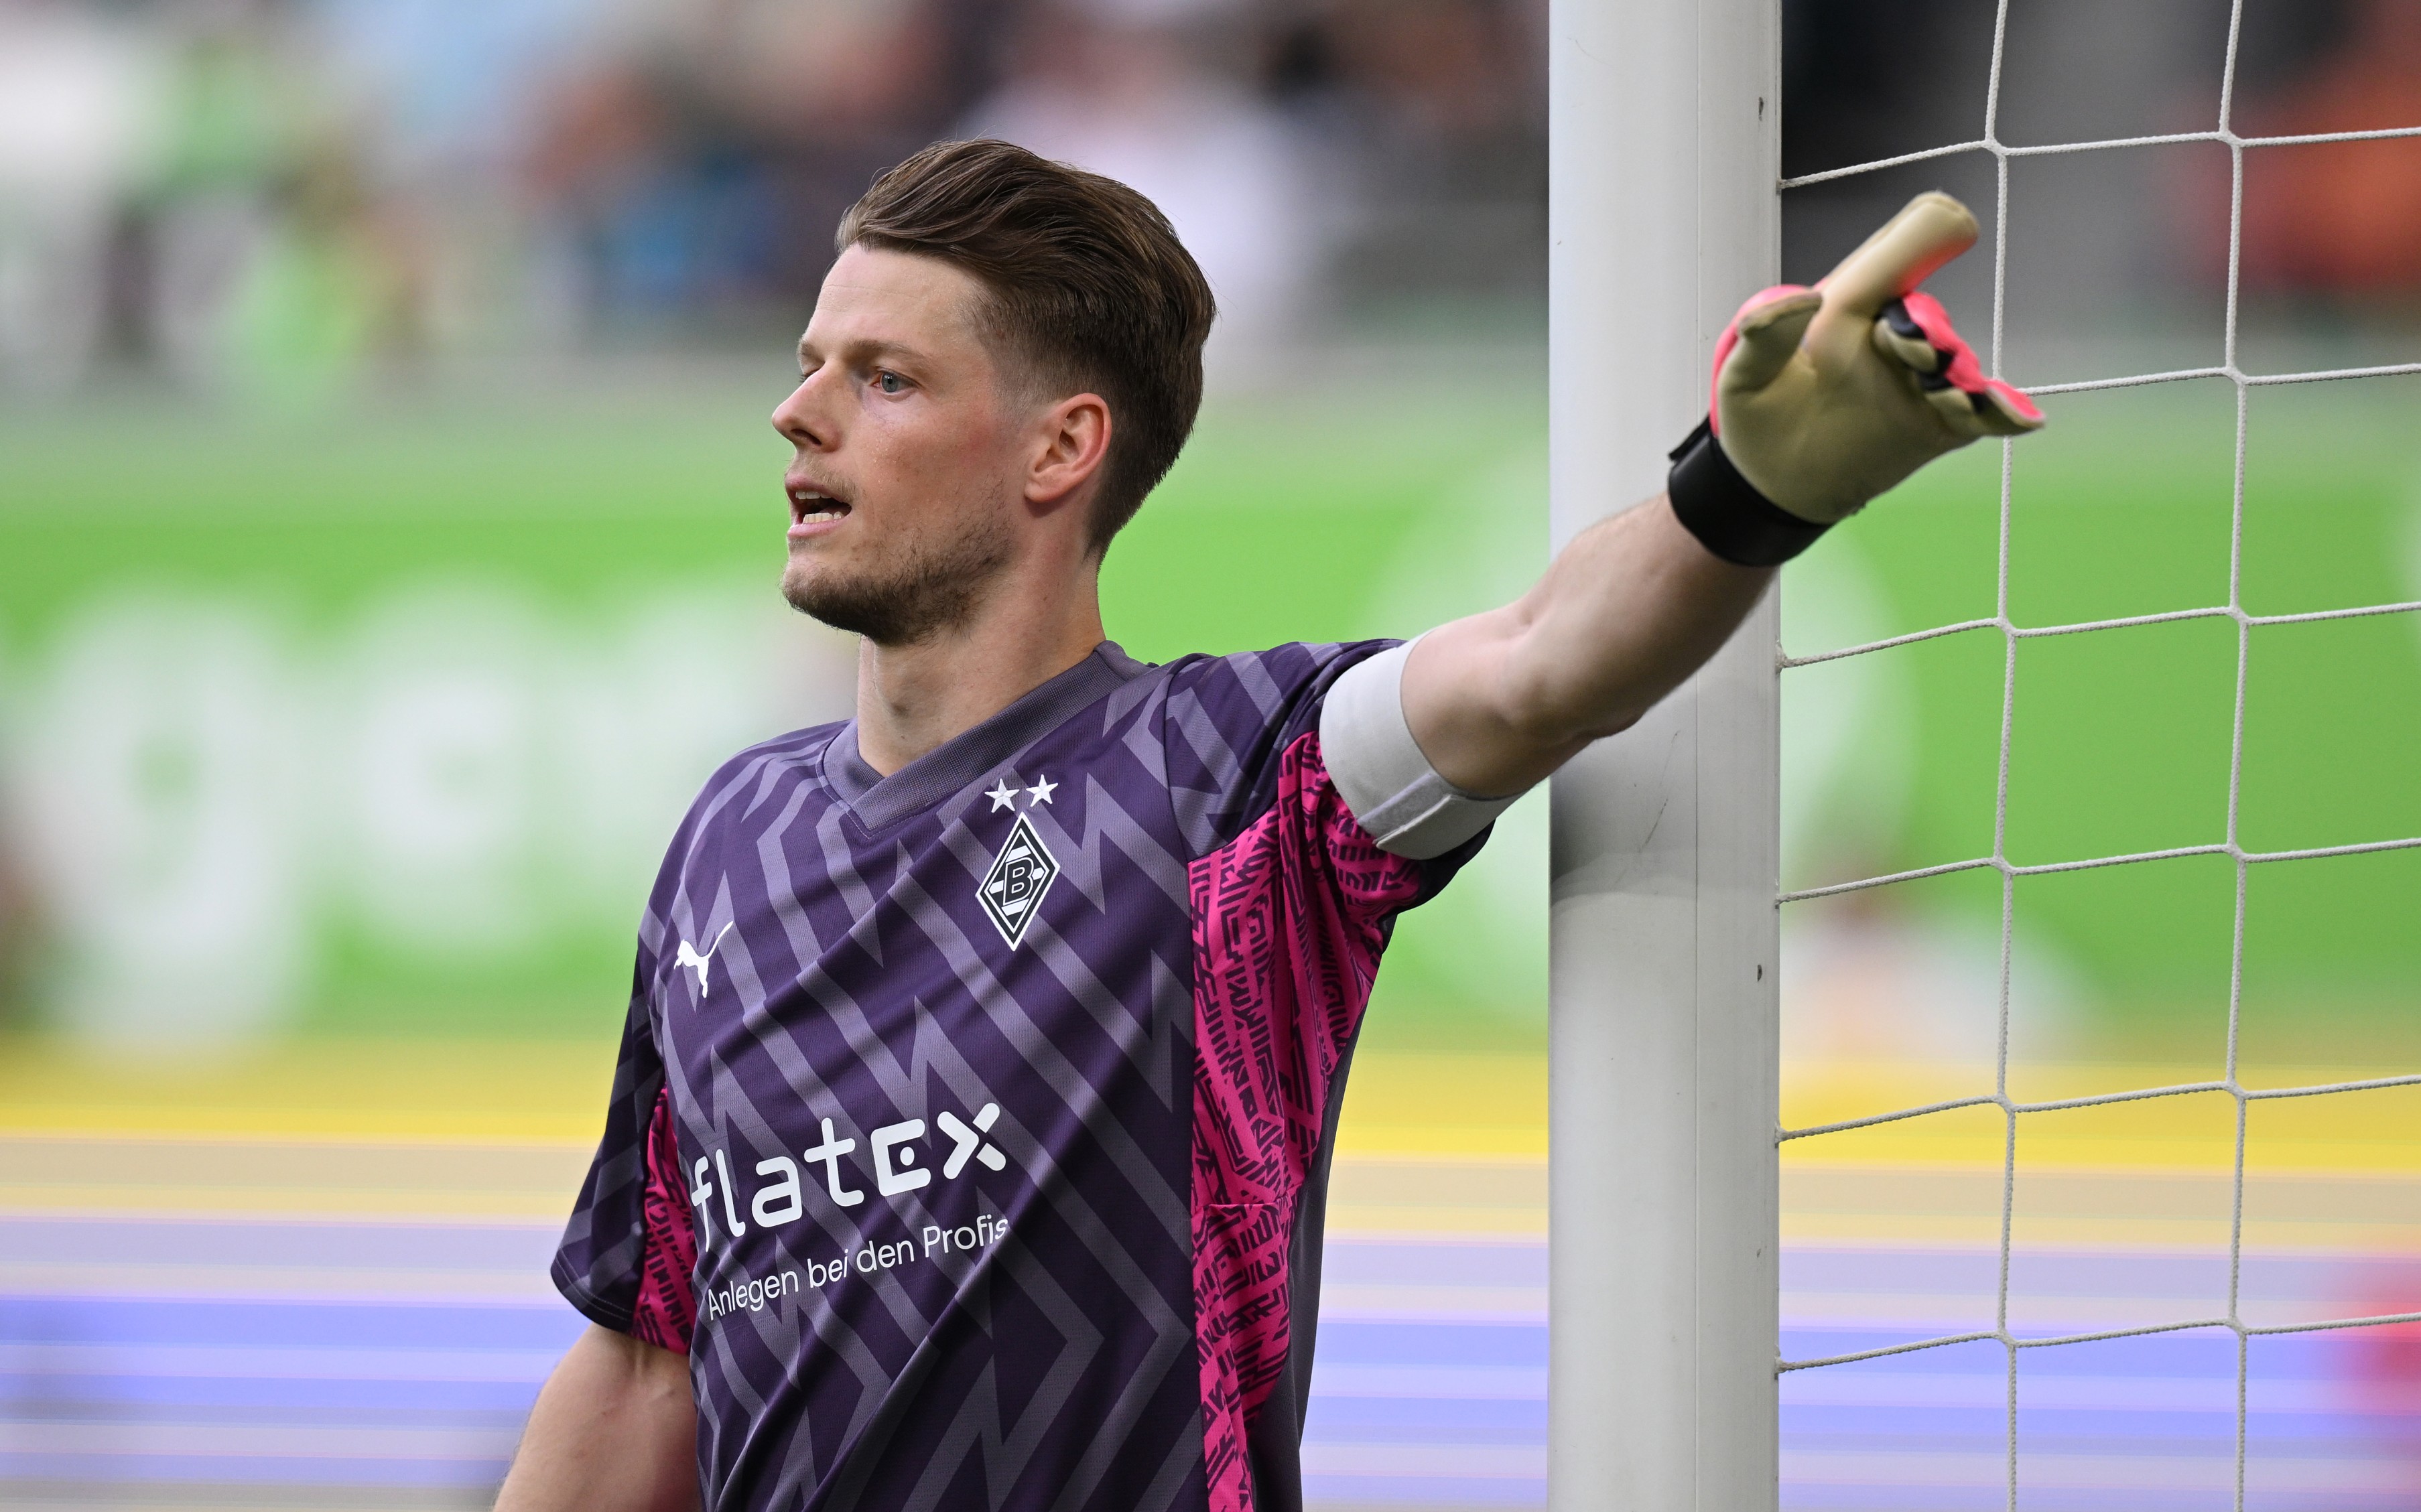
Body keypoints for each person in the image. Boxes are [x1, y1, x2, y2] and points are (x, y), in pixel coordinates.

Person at [493, 139, 2040, 1512]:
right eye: (813, 361)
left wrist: (1743, 491)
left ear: (1060, 450)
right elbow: (648, 1363)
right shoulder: (729, 838)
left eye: (881, 378)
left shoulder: (1221, 787)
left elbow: (1539, 663)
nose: (796, 412)